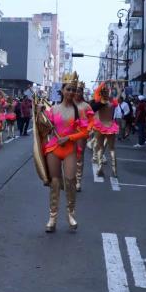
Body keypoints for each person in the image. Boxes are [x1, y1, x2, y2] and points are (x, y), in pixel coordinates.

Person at [40, 72, 90, 232]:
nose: (71, 93)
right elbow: (45, 129)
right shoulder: (53, 109)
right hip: (54, 148)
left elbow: (85, 132)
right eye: (68, 89)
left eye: (73, 90)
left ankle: (71, 214)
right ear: (62, 90)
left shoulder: (79, 111)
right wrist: (40, 114)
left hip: (69, 149)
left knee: (70, 181)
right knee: (55, 182)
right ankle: (52, 218)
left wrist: (68, 138)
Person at [91, 82, 119, 178]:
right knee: (112, 149)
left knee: (100, 148)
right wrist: (116, 85)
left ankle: (100, 169)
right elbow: (118, 94)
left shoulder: (99, 102)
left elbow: (96, 92)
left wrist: (103, 83)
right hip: (110, 126)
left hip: (100, 126)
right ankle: (114, 171)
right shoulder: (112, 102)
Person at [74, 82, 94, 191]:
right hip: (68, 133)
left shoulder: (86, 106)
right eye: (75, 90)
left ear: (82, 92)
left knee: (79, 155)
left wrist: (88, 129)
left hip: (81, 134)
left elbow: (92, 120)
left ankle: (78, 181)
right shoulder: (68, 103)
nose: (77, 93)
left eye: (79, 91)